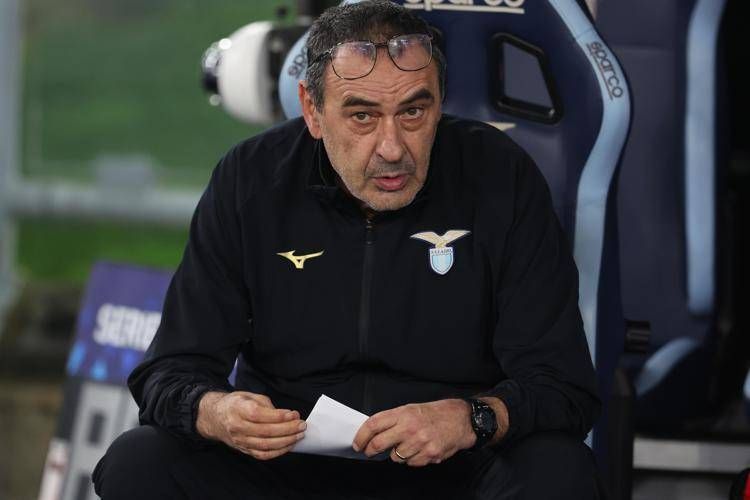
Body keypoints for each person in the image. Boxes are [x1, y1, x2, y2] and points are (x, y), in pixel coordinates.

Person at [93, 1, 602, 498]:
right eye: (362, 116)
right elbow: (169, 371)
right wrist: (217, 413)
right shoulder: (251, 180)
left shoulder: (500, 176)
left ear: (440, 102)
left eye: (413, 111)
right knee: (139, 462)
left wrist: (473, 418)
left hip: (449, 464)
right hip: (284, 465)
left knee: (559, 470)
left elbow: (564, 387)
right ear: (312, 110)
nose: (392, 147)